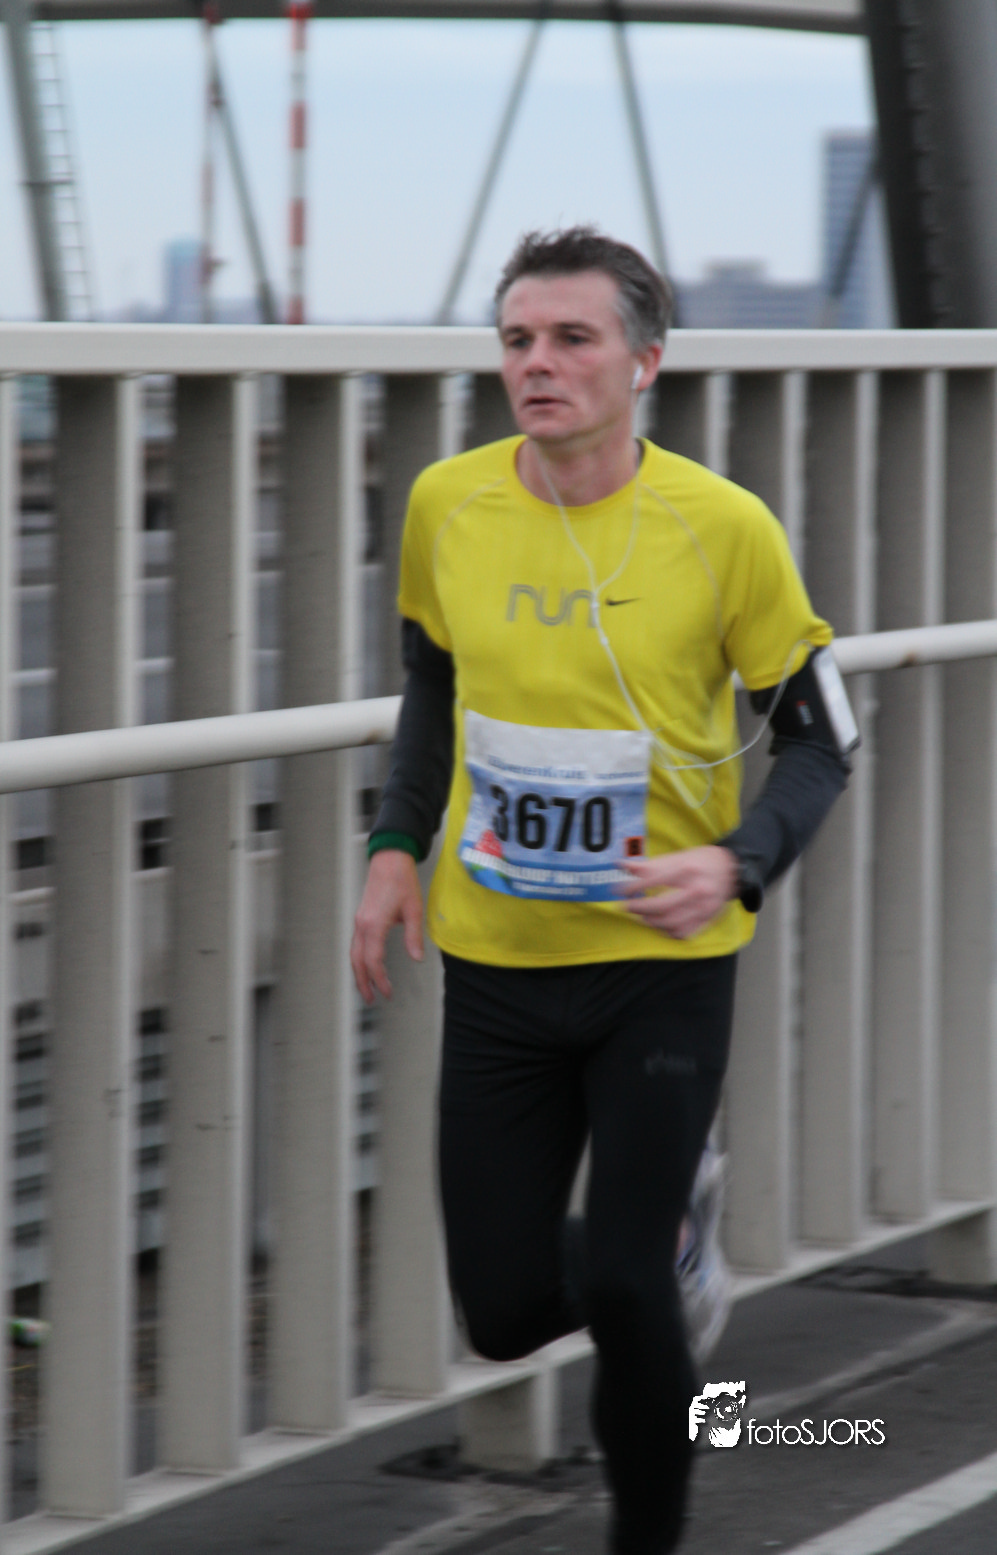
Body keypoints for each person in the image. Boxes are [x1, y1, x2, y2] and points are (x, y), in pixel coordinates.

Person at [351, 226, 855, 1555]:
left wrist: (737, 860)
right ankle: (674, 1259)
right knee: (504, 1311)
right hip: (499, 965)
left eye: (573, 338)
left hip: (660, 968)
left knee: (627, 1285)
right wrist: (394, 843)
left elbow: (824, 741)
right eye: (518, 339)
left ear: (644, 362)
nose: (538, 362)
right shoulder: (448, 504)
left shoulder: (724, 528)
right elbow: (433, 685)